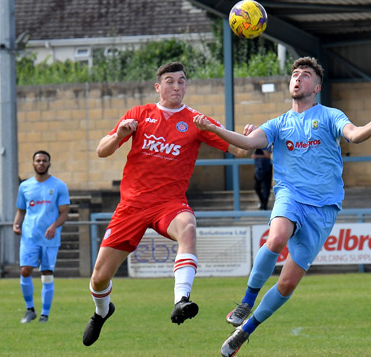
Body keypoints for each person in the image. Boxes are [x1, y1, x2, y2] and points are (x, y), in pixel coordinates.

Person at [193, 56, 371, 357]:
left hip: (324, 208)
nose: (297, 78)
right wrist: (214, 129)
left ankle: (243, 331)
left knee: (287, 284)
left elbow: (353, 134)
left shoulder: (330, 115)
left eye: (305, 75)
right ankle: (246, 302)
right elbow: (248, 143)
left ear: (317, 87)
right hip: (290, 195)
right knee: (276, 237)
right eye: (294, 74)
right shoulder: (279, 124)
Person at [82, 62, 249, 347]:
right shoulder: (140, 114)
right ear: (158, 87)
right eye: (169, 81)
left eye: (181, 81)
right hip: (132, 206)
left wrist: (245, 135)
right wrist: (120, 134)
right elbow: (101, 150)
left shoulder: (196, 120)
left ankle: (181, 300)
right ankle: (102, 311)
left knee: (188, 227)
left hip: (169, 204)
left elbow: (240, 150)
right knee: (99, 278)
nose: (176, 86)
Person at [13, 150, 70, 323]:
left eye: (44, 161)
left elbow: (64, 213)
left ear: (49, 163)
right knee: (25, 270)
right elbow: (21, 210)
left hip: (50, 239)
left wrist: (53, 226)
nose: (41, 163)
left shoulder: (59, 186)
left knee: (46, 273)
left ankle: (45, 314)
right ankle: (30, 310)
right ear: (33, 164)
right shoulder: (25, 186)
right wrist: (16, 224)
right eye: (38, 161)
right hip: (29, 236)